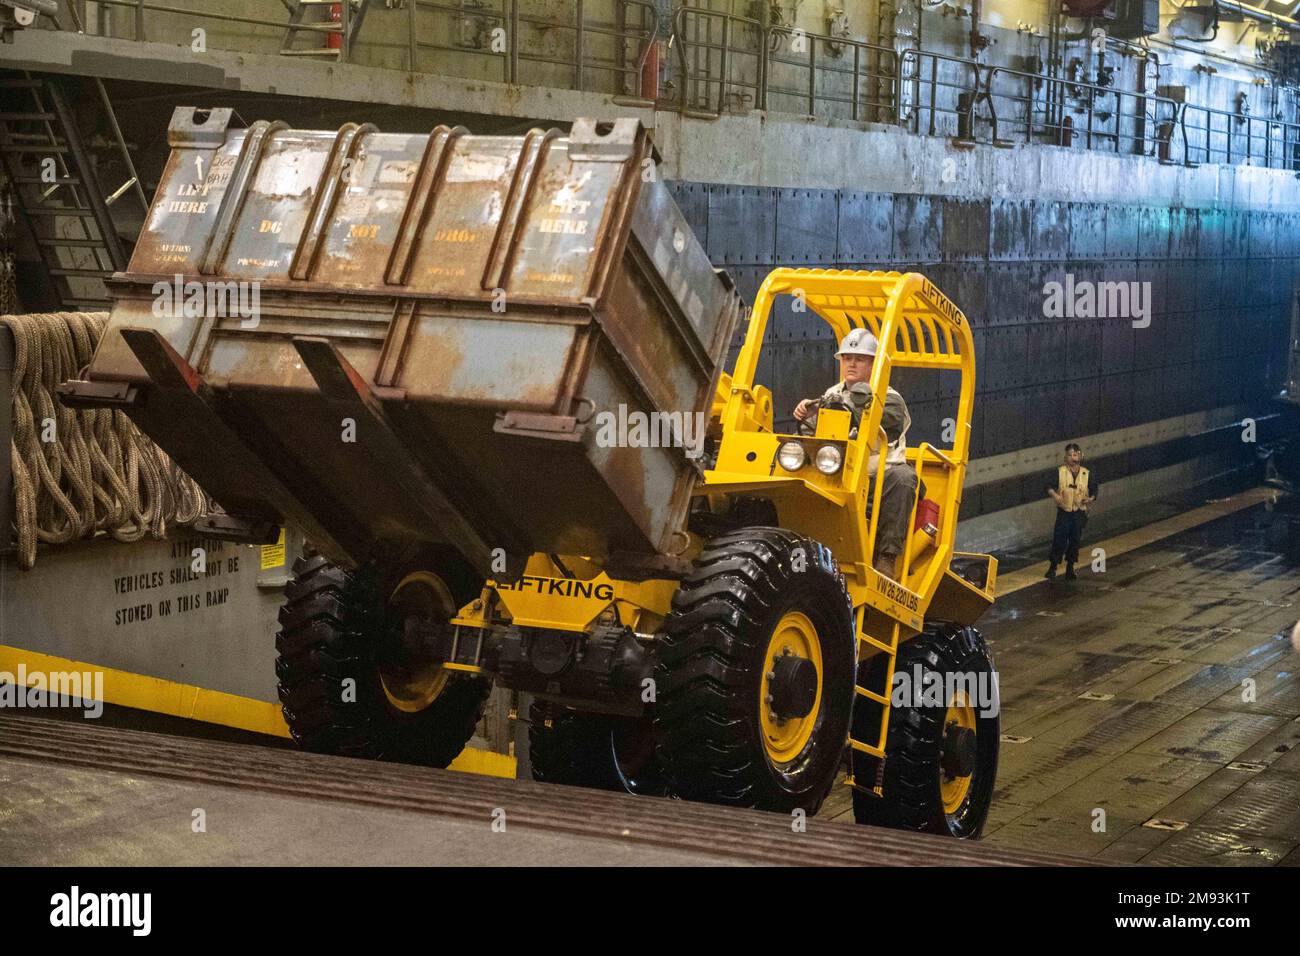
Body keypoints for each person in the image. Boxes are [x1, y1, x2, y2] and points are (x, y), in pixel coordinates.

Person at [793, 328, 918, 577]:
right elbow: (814, 432)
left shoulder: (890, 399)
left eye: (859, 359)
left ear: (873, 364)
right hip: (839, 470)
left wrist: (838, 409)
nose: (851, 363)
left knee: (904, 479)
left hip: (877, 478)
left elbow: (881, 427)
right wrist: (807, 414)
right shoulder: (830, 394)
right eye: (847, 358)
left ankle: (887, 557)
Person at [1044, 442, 1097, 581]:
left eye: (1075, 454)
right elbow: (1048, 485)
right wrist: (1055, 495)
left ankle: (1070, 567)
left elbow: (1094, 488)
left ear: (1080, 456)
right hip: (1064, 512)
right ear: (1065, 457)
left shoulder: (1086, 473)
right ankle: (1053, 567)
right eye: (1069, 455)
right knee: (1059, 539)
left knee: (1075, 540)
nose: (1072, 457)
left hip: (1079, 512)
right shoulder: (1060, 472)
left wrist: (1091, 498)